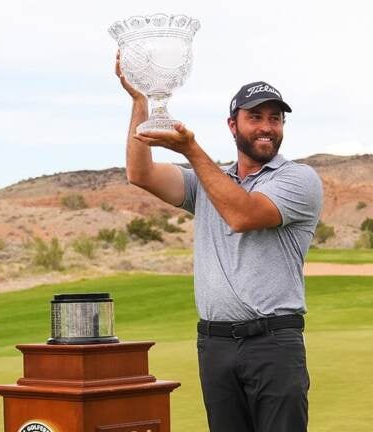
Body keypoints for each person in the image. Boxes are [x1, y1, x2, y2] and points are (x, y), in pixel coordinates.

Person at [116, 53, 323, 432]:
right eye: (255, 117)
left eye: (275, 118)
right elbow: (140, 172)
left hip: (274, 342)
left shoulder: (299, 179)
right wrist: (140, 104)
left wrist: (192, 151)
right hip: (215, 345)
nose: (267, 127)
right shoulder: (207, 182)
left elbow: (243, 214)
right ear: (233, 125)